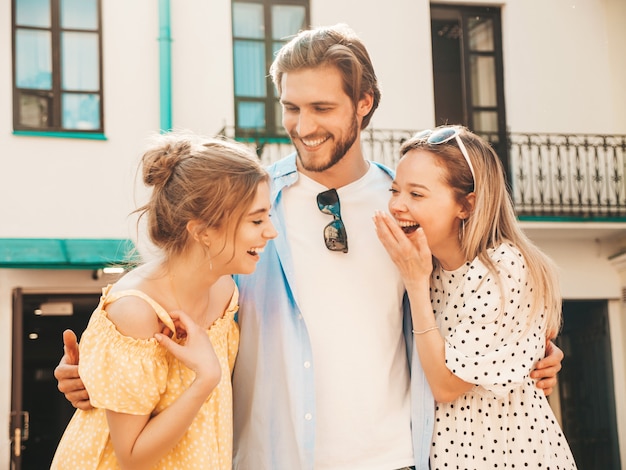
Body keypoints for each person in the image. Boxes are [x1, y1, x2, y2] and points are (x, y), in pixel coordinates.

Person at [54, 25, 563, 470]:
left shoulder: (412, 212)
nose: (304, 126)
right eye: (292, 108)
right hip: (267, 459)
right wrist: (101, 369)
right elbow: (168, 292)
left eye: (322, 107)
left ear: (363, 104)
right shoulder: (248, 206)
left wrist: (527, 355)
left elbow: (475, 309)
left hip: (396, 459)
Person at [50, 132, 277, 469]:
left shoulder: (225, 290)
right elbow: (131, 456)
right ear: (203, 231)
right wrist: (206, 378)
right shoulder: (136, 311)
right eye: (256, 220)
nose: (270, 231)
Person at [373, 125, 576, 468]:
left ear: (466, 205)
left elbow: (446, 385)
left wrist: (415, 284)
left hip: (507, 456)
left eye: (416, 195)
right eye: (395, 191)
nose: (396, 205)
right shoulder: (428, 267)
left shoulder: (504, 268)